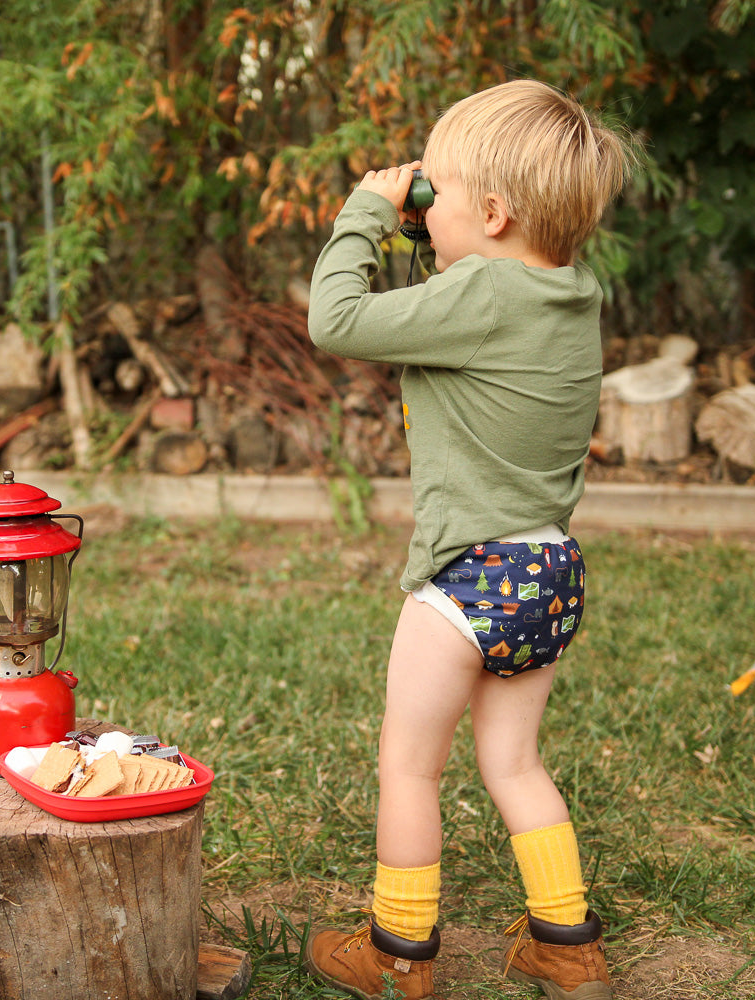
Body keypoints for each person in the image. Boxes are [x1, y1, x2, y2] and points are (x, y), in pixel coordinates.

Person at [302, 79, 636, 1000]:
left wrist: (367, 215)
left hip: (465, 579)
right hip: (548, 573)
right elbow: (455, 307)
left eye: (435, 190)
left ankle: (398, 956)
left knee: (409, 764)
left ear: (492, 212)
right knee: (515, 763)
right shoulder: (566, 292)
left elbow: (336, 321)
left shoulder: (480, 293)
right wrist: (428, 230)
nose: (423, 203)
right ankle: (568, 946)